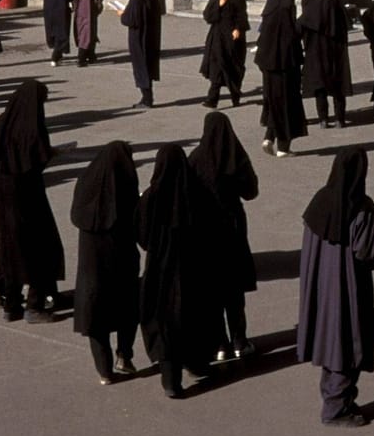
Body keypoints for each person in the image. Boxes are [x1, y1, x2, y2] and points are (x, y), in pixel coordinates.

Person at [296, 150, 374, 426]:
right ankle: (336, 408)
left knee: (329, 339)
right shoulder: (363, 210)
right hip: (349, 289)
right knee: (348, 341)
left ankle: (333, 397)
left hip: (322, 287)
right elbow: (367, 254)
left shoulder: (320, 202)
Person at [138, 144, 221, 398]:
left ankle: (170, 381)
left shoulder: (150, 198)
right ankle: (196, 364)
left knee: (164, 322)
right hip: (194, 270)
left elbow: (141, 236)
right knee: (195, 317)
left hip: (160, 271)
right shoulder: (199, 194)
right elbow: (212, 232)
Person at [0, 80, 65, 321]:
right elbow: (37, 160)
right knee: (40, 247)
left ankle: (11, 305)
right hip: (27, 193)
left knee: (10, 247)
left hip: (1, 191)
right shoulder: (32, 127)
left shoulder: (4, 121)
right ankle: (34, 305)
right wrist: (54, 153)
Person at [190, 110, 259, 364]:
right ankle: (240, 340)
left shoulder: (196, 158)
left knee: (212, 289)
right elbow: (251, 191)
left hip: (205, 232)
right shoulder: (235, 157)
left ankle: (220, 343)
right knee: (234, 289)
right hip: (233, 229)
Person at [70, 141, 141, 383]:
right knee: (127, 309)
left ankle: (104, 370)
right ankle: (125, 355)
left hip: (91, 265)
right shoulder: (125, 185)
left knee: (96, 316)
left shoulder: (85, 184)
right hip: (122, 260)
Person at [256, 0, 308, 157]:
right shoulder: (287, 13)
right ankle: (283, 147)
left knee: (274, 103)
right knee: (287, 106)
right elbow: (291, 42)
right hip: (286, 70)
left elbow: (263, 44)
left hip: (269, 69)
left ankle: (269, 137)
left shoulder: (272, 13)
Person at [298, 0, 351, 128]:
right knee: (337, 86)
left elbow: (300, 27)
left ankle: (323, 119)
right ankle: (339, 119)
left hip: (316, 52)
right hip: (336, 52)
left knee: (320, 85)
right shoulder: (337, 5)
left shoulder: (311, 11)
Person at [199, 0, 248, 109]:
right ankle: (212, 99)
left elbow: (242, 16)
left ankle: (235, 95)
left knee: (233, 67)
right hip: (217, 38)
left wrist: (238, 28)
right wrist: (218, 5)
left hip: (233, 40)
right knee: (217, 66)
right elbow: (208, 16)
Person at [121, 0, 162, 108]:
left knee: (140, 68)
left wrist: (122, 14)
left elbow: (129, 19)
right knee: (148, 67)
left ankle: (147, 99)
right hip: (151, 38)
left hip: (138, 39)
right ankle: (147, 97)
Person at [69, 0, 104, 65]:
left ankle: (85, 55)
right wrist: (98, 9)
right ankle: (87, 56)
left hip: (80, 12)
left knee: (82, 33)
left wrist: (74, 7)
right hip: (91, 12)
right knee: (91, 33)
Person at [40, 0, 74, 66]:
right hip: (62, 13)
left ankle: (57, 53)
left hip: (49, 13)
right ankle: (56, 55)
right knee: (62, 33)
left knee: (52, 32)